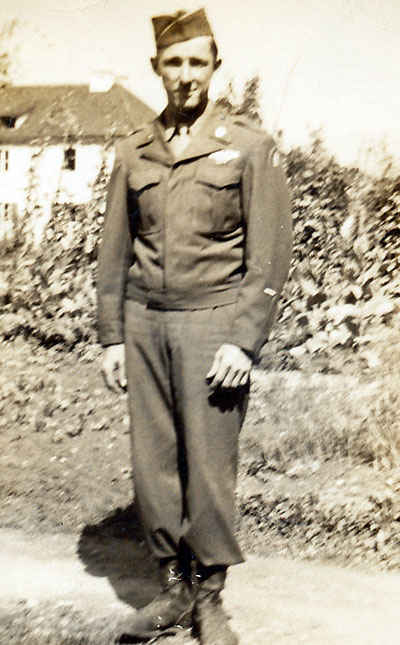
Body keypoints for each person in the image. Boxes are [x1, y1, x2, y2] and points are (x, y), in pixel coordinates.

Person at [97, 8, 292, 644]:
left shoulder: (248, 146)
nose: (185, 75)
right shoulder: (134, 151)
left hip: (214, 326)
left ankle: (210, 596)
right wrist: (111, 336)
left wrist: (244, 337)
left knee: (208, 465)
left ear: (214, 68)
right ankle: (172, 588)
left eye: (197, 63)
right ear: (157, 68)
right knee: (153, 462)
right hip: (144, 324)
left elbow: (268, 254)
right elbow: (113, 251)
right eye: (174, 63)